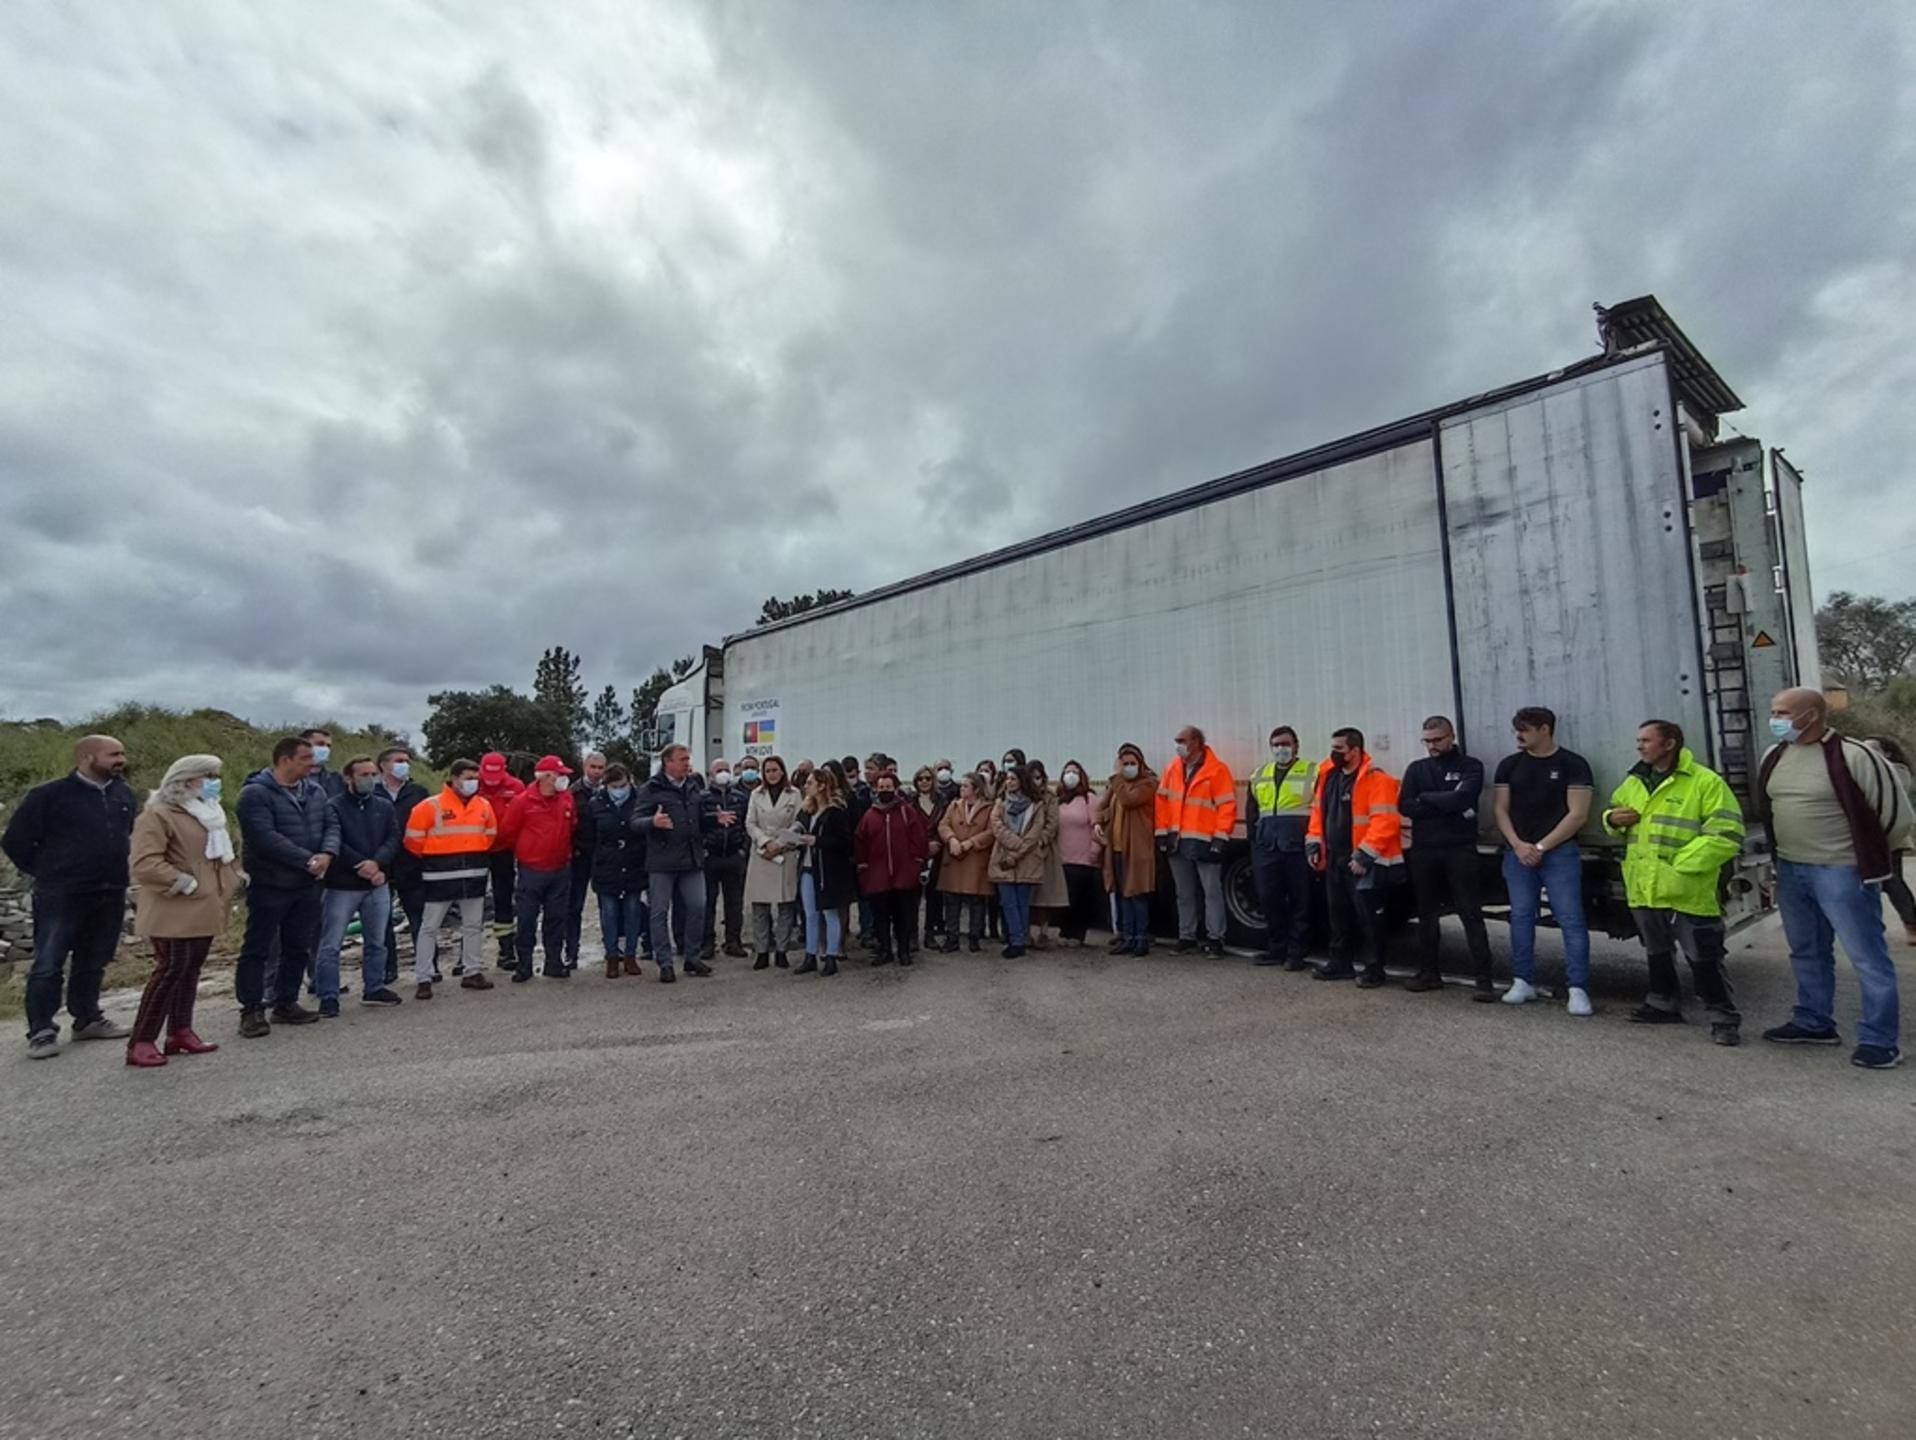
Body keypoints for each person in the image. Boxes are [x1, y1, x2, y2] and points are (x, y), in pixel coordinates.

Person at [1755, 688, 1912, 1069]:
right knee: (1807, 951)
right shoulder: (1775, 755)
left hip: (1842, 871)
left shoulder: (1855, 756)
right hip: (1792, 868)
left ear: (1811, 715)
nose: (1775, 719)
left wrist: (1865, 860)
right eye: (1774, 711)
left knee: (1867, 957)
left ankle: (1880, 1041)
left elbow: (1895, 816)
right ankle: (1814, 1022)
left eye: (1783, 712)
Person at [1602, 721, 1746, 1045]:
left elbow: (1727, 834)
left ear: (1669, 744)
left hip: (1686, 888)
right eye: (1638, 740)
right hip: (1644, 885)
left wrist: (1680, 866)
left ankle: (1723, 1018)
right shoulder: (1635, 781)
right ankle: (1662, 1003)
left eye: (1646, 740)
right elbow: (1613, 812)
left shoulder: (1705, 782)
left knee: (1703, 954)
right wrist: (1611, 819)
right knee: (1656, 949)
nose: (1639, 746)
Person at [2, 734, 137, 1059]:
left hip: (109, 890)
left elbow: (126, 833)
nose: (121, 760)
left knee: (94, 959)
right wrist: (49, 871)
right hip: (61, 893)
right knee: (49, 962)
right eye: (113, 754)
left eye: (121, 753)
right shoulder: (49, 795)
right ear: (87, 757)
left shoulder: (122, 793)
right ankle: (42, 1030)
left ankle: (87, 1018)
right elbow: (16, 841)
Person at [124, 754, 239, 1067]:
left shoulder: (209, 813)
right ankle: (142, 1040)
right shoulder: (158, 814)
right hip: (174, 906)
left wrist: (231, 881)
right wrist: (183, 882)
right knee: (170, 969)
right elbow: (145, 863)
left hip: (206, 904)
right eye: (209, 776)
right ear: (187, 779)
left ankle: (180, 1030)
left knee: (191, 969)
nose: (215, 782)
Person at [1494, 707, 1595, 1015]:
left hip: (1560, 852)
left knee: (1570, 919)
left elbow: (1578, 814)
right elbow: (1500, 809)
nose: (1519, 735)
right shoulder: (1510, 765)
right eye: (1517, 729)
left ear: (1545, 729)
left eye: (1525, 729)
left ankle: (1578, 989)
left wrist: (1540, 846)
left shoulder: (1573, 764)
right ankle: (1522, 980)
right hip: (1517, 852)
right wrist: (1518, 845)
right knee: (1521, 916)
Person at [234, 735, 338, 1036]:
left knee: (298, 945)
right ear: (285, 760)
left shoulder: (315, 791)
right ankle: (251, 1009)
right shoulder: (255, 794)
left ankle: (286, 1002)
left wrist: (327, 853)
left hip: (307, 884)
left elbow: (331, 824)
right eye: (305, 758)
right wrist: (307, 859)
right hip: (271, 883)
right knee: (259, 947)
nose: (312, 763)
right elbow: (264, 837)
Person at [1398, 715, 1495, 997]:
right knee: (1426, 914)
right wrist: (1444, 802)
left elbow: (1463, 798)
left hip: (1459, 849)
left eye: (1437, 740)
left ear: (1451, 737)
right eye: (1427, 741)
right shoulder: (1417, 768)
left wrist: (1426, 798)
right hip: (1424, 849)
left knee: (1470, 912)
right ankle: (1429, 973)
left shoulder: (1470, 766)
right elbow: (1405, 805)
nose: (1432, 746)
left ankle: (1484, 980)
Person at [1306, 727, 1403, 987]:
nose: (1333, 753)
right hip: (1334, 857)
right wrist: (1314, 845)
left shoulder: (1376, 779)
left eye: (1339, 749)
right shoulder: (1329, 777)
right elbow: (1318, 814)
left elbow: (1385, 821)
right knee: (1337, 915)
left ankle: (1374, 969)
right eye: (1333, 748)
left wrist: (1363, 855)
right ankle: (1340, 964)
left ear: (1355, 750)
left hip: (1360, 860)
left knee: (1369, 918)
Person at [403, 759, 498, 998]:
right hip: (439, 875)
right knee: (429, 927)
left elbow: (490, 835)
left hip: (473, 874)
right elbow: (413, 841)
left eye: (475, 778)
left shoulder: (483, 805)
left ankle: (472, 971)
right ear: (454, 779)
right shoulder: (430, 806)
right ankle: (424, 978)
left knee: (473, 926)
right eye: (468, 778)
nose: (473, 783)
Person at [315, 756, 402, 1015]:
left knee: (377, 941)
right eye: (364, 775)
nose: (370, 779)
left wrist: (377, 863)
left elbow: (393, 838)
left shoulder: (383, 806)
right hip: (342, 885)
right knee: (331, 944)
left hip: (377, 883)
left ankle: (374, 987)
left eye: (373, 774)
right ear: (348, 778)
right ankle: (328, 995)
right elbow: (334, 841)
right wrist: (361, 865)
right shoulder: (333, 807)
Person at [1156, 725, 1237, 957]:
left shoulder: (1217, 770)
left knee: (1212, 891)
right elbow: (1162, 803)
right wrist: (1161, 833)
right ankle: (1187, 936)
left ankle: (1215, 938)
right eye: (1177, 741)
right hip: (1177, 839)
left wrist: (1220, 837)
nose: (1178, 745)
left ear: (1197, 742)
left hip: (1205, 839)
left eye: (1182, 740)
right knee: (1184, 892)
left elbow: (1227, 805)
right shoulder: (1172, 768)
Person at [498, 755, 578, 982]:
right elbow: (508, 832)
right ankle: (524, 965)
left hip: (560, 869)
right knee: (526, 919)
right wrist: (527, 851)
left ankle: (553, 963)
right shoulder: (522, 802)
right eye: (559, 774)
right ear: (546, 777)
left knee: (556, 919)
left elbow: (572, 825)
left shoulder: (566, 799)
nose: (563, 779)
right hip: (532, 870)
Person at [1245, 726, 1315, 970]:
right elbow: (1252, 810)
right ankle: (1277, 949)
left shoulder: (1312, 771)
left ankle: (1297, 953)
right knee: (1269, 898)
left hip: (1297, 844)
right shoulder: (1260, 774)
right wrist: (1254, 840)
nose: (1280, 749)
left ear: (1296, 746)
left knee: (1300, 901)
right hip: (1267, 845)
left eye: (1285, 744)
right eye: (1275, 745)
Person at [640, 744, 711, 983]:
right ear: (667, 763)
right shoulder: (651, 788)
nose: (687, 763)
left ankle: (692, 957)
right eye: (682, 759)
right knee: (659, 912)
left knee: (698, 906)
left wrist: (715, 819)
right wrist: (652, 822)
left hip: (691, 859)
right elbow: (635, 821)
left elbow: (699, 819)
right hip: (662, 861)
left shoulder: (692, 785)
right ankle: (665, 963)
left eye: (687, 759)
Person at [855, 768, 928, 965]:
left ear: (896, 788)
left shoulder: (907, 811)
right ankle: (885, 950)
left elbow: (919, 838)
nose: (884, 790)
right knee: (880, 917)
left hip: (903, 875)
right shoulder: (869, 815)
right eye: (881, 787)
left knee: (903, 916)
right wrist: (864, 867)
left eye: (888, 786)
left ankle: (904, 951)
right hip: (877, 877)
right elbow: (861, 842)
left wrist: (916, 862)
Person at [588, 764, 647, 978]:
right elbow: (589, 835)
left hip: (634, 863)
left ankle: (631, 955)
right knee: (609, 912)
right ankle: (612, 956)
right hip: (607, 865)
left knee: (633, 910)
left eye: (622, 786)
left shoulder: (640, 801)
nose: (618, 790)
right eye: (614, 786)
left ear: (630, 781)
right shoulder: (596, 803)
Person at [376, 747, 429, 985]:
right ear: (383, 765)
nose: (404, 765)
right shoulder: (373, 792)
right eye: (399, 761)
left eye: (407, 761)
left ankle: (427, 966)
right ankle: (387, 968)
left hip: (413, 864)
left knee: (420, 918)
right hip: (381, 865)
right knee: (381, 922)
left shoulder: (418, 792)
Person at [794, 766, 854, 976]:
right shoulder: (807, 811)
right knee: (810, 914)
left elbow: (844, 842)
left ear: (821, 786)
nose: (806, 786)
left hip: (828, 870)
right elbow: (799, 826)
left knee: (830, 912)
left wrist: (818, 841)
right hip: (808, 867)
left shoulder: (835, 812)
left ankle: (831, 955)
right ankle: (810, 954)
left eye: (810, 783)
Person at [744, 755, 802, 970]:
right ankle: (761, 951)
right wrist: (766, 842)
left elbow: (799, 823)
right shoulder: (756, 794)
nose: (771, 774)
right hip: (762, 853)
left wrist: (779, 843)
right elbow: (750, 823)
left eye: (775, 770)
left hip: (785, 852)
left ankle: (781, 950)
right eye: (767, 771)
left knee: (786, 905)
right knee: (760, 906)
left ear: (782, 771)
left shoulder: (794, 794)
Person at [1099, 744, 1158, 957]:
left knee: (1137, 893)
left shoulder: (1148, 784)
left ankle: (1141, 938)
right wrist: (1098, 821)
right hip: (1117, 848)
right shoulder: (1117, 786)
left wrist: (1116, 778)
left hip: (1138, 849)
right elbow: (1103, 807)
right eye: (1125, 764)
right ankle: (1127, 936)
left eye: (1133, 763)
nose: (1129, 767)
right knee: (1123, 894)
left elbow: (1129, 800)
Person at [989, 764, 1049, 958]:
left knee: (1022, 903)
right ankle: (1015, 940)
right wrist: (1015, 844)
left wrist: (1017, 853)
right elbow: (997, 826)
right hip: (1003, 858)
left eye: (1013, 778)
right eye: (1007, 778)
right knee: (1008, 902)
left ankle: (1020, 940)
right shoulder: (1000, 803)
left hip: (1027, 859)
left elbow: (1035, 833)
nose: (1009, 782)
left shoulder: (1036, 805)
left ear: (1022, 781)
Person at [1864, 737, 1916, 946]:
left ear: (1887, 753)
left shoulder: (1898, 771)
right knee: (1870, 883)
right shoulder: (1866, 771)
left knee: (1893, 881)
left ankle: (1911, 923)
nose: (1866, 753)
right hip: (1868, 836)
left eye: (1872, 749)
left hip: (1890, 835)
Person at [699, 758, 752, 960]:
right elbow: (697, 826)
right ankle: (707, 943)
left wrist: (743, 850)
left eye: (726, 769)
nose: (723, 773)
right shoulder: (702, 798)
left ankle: (733, 942)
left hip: (734, 855)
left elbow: (747, 824)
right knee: (707, 903)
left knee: (735, 903)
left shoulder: (740, 798)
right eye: (719, 770)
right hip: (710, 856)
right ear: (710, 775)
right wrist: (703, 849)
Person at [937, 772, 995, 952]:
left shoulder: (989, 808)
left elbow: (991, 832)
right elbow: (943, 825)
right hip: (955, 857)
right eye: (961, 785)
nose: (961, 788)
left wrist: (972, 842)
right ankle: (952, 937)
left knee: (976, 900)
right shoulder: (954, 805)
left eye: (965, 786)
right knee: (952, 900)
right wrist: (951, 839)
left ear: (976, 789)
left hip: (975, 858)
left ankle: (974, 937)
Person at [563, 751, 607, 971]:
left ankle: (612, 950)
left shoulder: (610, 791)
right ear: (584, 767)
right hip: (580, 854)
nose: (596, 772)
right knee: (574, 905)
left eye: (600, 768)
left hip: (604, 855)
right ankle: (571, 951)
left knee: (608, 904)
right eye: (593, 767)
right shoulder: (572, 792)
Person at [476, 752, 525, 946]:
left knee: (503, 896)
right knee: (472, 901)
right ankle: (468, 950)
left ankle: (506, 946)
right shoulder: (472, 785)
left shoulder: (516, 787)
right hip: (476, 850)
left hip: (504, 850)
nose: (492, 782)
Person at [1054, 760, 1104, 945]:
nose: (1070, 775)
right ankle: (1064, 931)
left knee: (1080, 898)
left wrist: (1095, 851)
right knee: (1065, 897)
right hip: (1062, 858)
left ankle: (1077, 933)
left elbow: (1097, 827)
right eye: (1067, 771)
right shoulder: (1058, 800)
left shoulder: (1089, 799)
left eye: (1074, 772)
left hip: (1084, 859)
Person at [1025, 760, 1068, 948]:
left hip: (1044, 850)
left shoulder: (1050, 797)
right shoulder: (1021, 796)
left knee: (1045, 894)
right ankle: (1025, 932)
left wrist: (1041, 840)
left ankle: (1043, 932)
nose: (1036, 781)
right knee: (1025, 894)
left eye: (1038, 777)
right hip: (1022, 851)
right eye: (1032, 777)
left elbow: (1052, 823)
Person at [913, 765, 951, 945]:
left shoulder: (943, 801)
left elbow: (946, 824)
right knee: (913, 897)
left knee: (934, 896)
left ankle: (930, 932)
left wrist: (937, 843)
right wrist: (923, 846)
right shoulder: (909, 802)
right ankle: (911, 935)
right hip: (915, 854)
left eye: (928, 778)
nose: (924, 782)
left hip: (938, 853)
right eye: (920, 778)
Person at [302, 728, 345, 800]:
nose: (325, 749)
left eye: (328, 746)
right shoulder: (288, 779)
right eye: (320, 744)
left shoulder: (337, 780)